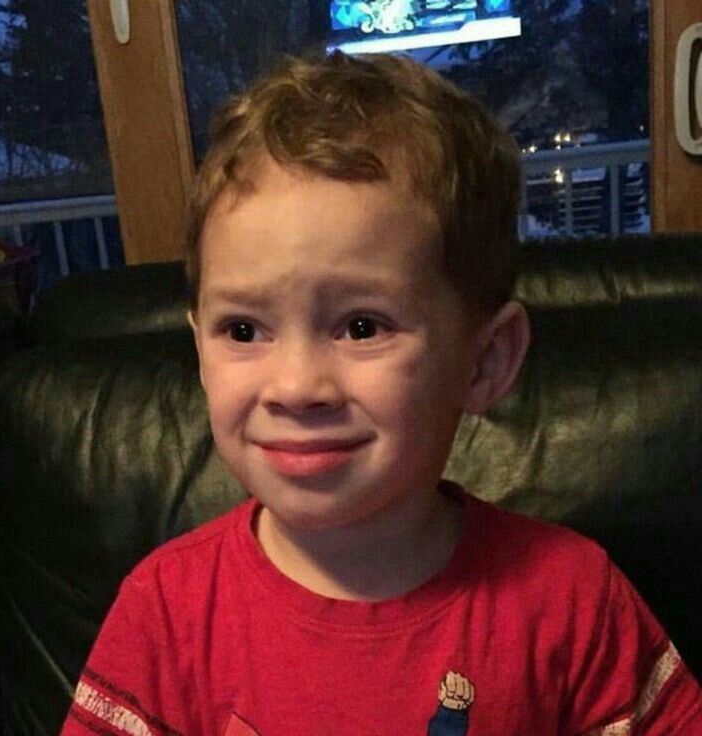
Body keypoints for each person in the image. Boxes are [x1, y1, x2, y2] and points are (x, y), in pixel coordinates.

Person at [61, 52, 702, 735]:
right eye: (243, 329)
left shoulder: (573, 600)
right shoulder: (165, 611)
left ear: (485, 361)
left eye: (361, 326)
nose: (297, 386)